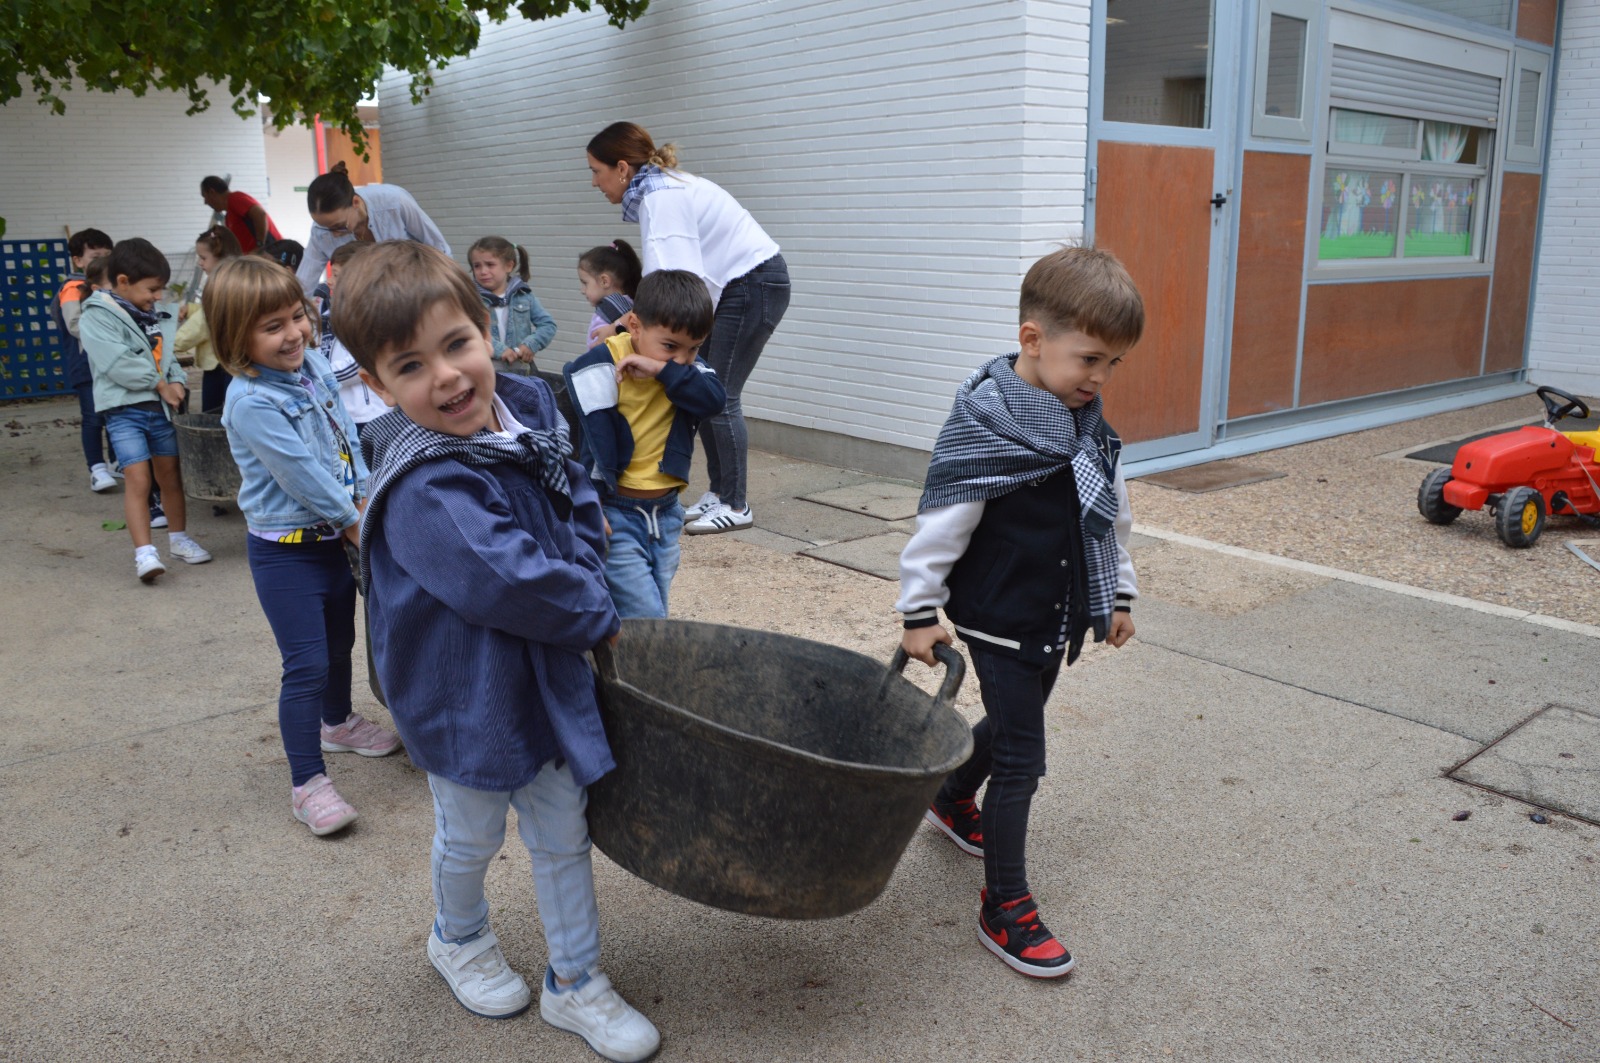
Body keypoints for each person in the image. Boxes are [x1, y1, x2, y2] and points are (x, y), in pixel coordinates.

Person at [338, 241, 659, 1062]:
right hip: (462, 690)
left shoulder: (530, 415)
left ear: (488, 329)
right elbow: (504, 577)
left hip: (543, 675)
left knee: (562, 827)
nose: (446, 377)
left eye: (456, 345)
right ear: (375, 388)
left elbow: (577, 493)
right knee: (472, 831)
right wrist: (594, 605)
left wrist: (592, 561)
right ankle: (458, 935)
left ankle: (576, 980)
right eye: (410, 366)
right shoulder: (425, 484)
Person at [896, 246, 1144, 980]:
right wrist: (918, 611)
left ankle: (947, 797)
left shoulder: (1087, 423)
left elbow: (1113, 518)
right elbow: (941, 521)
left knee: (1007, 727)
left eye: (1113, 365)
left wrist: (1119, 592)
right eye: (1089, 359)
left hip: (1057, 612)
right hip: (1000, 615)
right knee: (1022, 761)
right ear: (1033, 340)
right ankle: (1004, 904)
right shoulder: (988, 423)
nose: (1099, 380)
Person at [209, 256, 402, 836]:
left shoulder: (313, 363)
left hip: (332, 542)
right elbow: (301, 474)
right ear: (235, 338)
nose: (294, 333)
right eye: (272, 327)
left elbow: (344, 437)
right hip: (286, 552)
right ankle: (307, 782)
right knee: (307, 663)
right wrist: (356, 521)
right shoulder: (250, 402)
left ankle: (337, 722)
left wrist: (368, 495)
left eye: (297, 316)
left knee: (340, 642)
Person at [586, 122, 790, 535]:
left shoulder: (661, 198)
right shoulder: (657, 190)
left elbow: (676, 282)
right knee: (703, 382)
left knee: (720, 392)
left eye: (595, 170)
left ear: (622, 167)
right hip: (742, 286)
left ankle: (736, 503)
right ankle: (720, 491)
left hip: (751, 285)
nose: (594, 182)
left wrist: (625, 326)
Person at [564, 269, 725, 619]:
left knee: (654, 608)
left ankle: (620, 669)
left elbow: (715, 400)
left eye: (694, 348)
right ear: (634, 325)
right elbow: (584, 446)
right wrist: (588, 504)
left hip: (667, 514)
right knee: (647, 616)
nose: (683, 358)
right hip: (616, 514)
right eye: (670, 346)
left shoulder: (681, 370)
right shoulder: (600, 367)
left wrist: (662, 369)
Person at [79, 238, 212, 582]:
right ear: (123, 281)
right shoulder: (97, 315)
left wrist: (179, 381)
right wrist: (160, 385)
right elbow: (117, 363)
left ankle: (179, 539)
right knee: (138, 479)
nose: (158, 296)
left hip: (162, 411)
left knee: (170, 476)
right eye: (152, 289)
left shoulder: (154, 315)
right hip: (124, 411)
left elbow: (166, 359)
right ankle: (145, 554)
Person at [297, 161, 451, 293]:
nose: (334, 234)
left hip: (415, 292)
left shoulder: (394, 202)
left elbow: (439, 249)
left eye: (339, 226)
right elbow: (304, 284)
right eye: (326, 227)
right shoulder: (320, 231)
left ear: (355, 203)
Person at [50, 228, 117, 492]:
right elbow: (74, 325)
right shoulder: (72, 287)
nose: (102, 261)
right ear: (78, 260)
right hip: (85, 364)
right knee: (93, 417)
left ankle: (115, 462)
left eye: (107, 255)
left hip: (108, 363)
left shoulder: (107, 285)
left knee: (114, 413)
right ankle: (96, 468)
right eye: (95, 255)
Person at [315, 242, 389, 435]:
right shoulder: (328, 312)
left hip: (369, 415)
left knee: (370, 464)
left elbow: (360, 363)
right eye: (331, 274)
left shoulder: (371, 314)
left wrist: (320, 377)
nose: (329, 281)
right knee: (345, 463)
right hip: (338, 411)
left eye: (337, 276)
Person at [174, 226, 244, 413]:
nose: (199, 262)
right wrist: (191, 309)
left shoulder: (220, 285)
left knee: (214, 417)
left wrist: (170, 344)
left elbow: (204, 322)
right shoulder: (236, 281)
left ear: (222, 258)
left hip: (222, 365)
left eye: (203, 258)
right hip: (230, 362)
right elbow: (209, 312)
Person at [469, 236, 557, 375]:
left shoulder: (524, 295)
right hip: (487, 371)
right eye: (477, 266)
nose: (483, 271)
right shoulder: (470, 299)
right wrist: (499, 350)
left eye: (490, 264)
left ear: (509, 266)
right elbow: (470, 332)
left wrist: (530, 344)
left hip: (521, 370)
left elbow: (548, 324)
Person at [578, 240, 641, 346]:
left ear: (604, 281)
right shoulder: (633, 304)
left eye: (585, 283)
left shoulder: (606, 313)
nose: (582, 290)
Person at [200, 176, 282, 254]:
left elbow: (260, 214)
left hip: (272, 254)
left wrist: (259, 246)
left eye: (205, 196)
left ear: (212, 192)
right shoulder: (229, 216)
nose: (205, 202)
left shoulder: (235, 198)